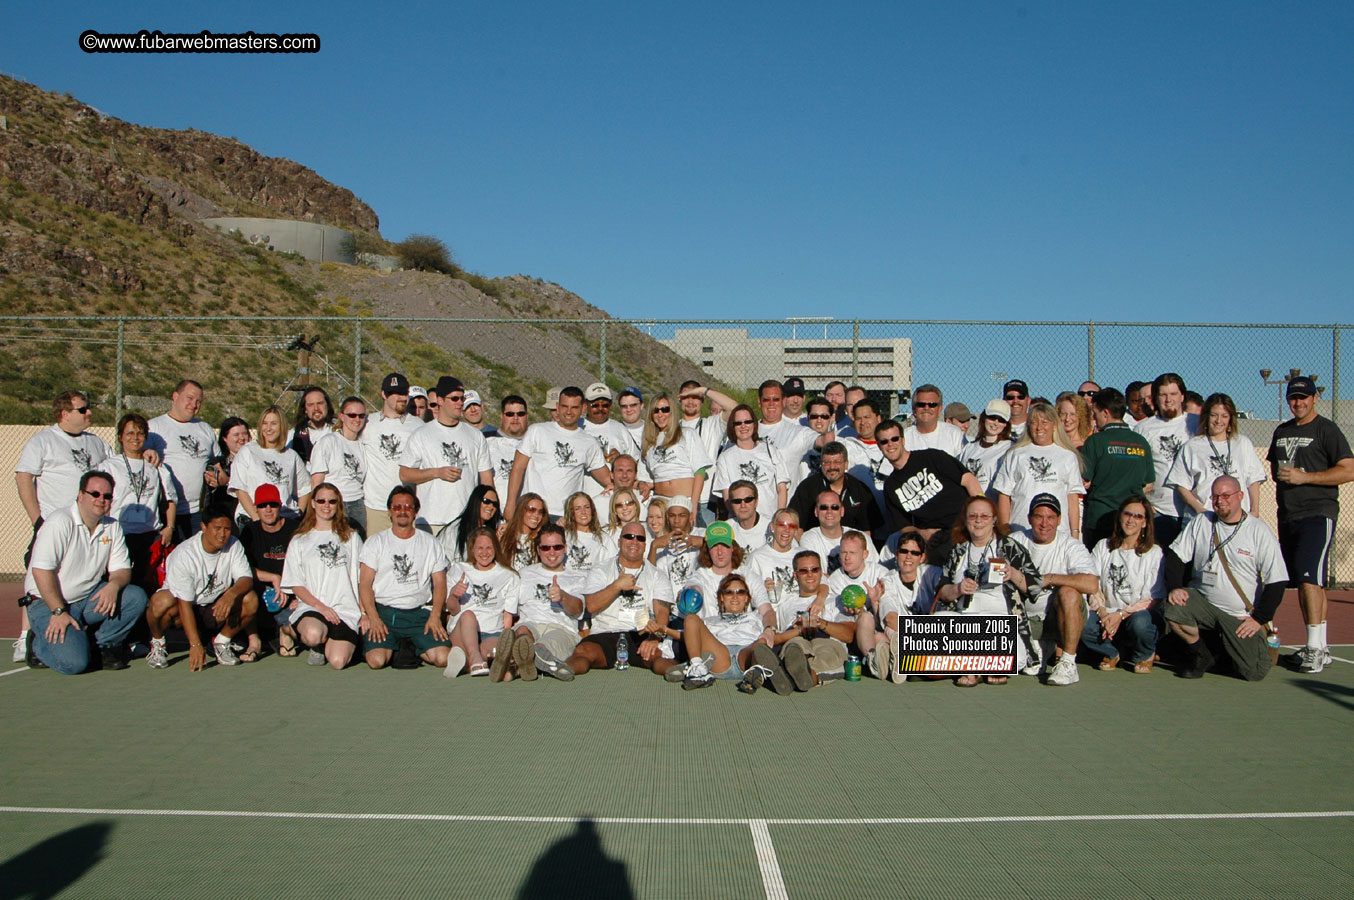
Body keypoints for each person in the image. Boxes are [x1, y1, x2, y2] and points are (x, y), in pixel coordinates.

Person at [1267, 375, 1354, 673]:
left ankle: (1315, 649)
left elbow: (1348, 470)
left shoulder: (1327, 429)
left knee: (1308, 579)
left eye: (1304, 397)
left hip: (1318, 514)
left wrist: (1307, 478)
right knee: (1306, 581)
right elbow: (1275, 468)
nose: (1298, 402)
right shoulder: (1281, 431)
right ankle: (1320, 646)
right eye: (1293, 397)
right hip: (1288, 515)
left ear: (1315, 398)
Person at [1163, 476, 1287, 681]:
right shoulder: (1202, 522)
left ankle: (1222, 652)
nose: (1220, 501)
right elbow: (1176, 556)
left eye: (1227, 495)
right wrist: (1175, 587)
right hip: (1204, 603)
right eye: (1215, 496)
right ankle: (1200, 654)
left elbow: (1278, 580)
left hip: (1239, 615)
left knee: (1254, 671)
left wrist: (1258, 620)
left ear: (1240, 496)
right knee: (1174, 607)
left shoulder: (1258, 530)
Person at [23, 470, 148, 673]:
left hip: (86, 599)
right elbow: (41, 571)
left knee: (134, 597)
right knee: (75, 664)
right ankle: (38, 643)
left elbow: (122, 569)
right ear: (81, 495)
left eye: (107, 496)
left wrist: (114, 585)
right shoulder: (59, 522)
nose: (101, 500)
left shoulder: (112, 527)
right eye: (95, 494)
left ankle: (103, 646)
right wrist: (58, 611)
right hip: (48, 604)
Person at [935, 496, 1041, 684]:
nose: (978, 521)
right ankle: (983, 665)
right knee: (936, 622)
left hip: (1000, 625)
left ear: (994, 520)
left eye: (984, 516)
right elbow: (942, 593)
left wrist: (1013, 573)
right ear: (965, 520)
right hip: (965, 624)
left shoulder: (1009, 547)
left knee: (1016, 653)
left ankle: (970, 665)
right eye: (973, 516)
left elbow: (1034, 588)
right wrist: (959, 588)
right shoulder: (957, 550)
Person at [145, 507, 258, 671]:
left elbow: (246, 578)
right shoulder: (184, 554)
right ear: (204, 527)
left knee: (250, 599)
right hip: (184, 610)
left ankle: (221, 642)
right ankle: (158, 644)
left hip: (215, 608)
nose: (222, 534)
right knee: (160, 601)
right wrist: (195, 644)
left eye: (227, 529)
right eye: (217, 528)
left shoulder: (234, 544)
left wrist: (231, 595)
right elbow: (184, 604)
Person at [356, 486, 452, 671]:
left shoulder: (430, 542)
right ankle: (400, 647)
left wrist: (435, 616)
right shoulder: (376, 542)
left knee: (442, 658)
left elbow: (440, 583)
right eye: (397, 507)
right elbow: (365, 584)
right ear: (390, 512)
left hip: (419, 614)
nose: (402, 511)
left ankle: (411, 646)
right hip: (385, 613)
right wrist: (373, 618)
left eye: (408, 507)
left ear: (416, 512)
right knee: (376, 661)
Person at [1010, 494, 1099, 685]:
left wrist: (1049, 579)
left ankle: (1067, 662)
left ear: (1059, 520)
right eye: (1038, 517)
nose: (1044, 523)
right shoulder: (1014, 541)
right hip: (1025, 620)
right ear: (1029, 518)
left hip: (1059, 619)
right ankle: (1041, 646)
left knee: (1068, 592)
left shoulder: (1071, 546)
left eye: (1050, 518)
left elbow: (1092, 584)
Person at [567, 521, 674, 676]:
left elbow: (662, 612)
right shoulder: (601, 570)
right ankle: (564, 671)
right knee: (583, 652)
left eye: (640, 538)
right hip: (606, 632)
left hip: (641, 632)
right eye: (629, 536)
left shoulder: (657, 575)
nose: (634, 542)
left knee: (658, 656)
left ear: (645, 544)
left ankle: (677, 673)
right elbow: (590, 606)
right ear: (619, 542)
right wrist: (616, 586)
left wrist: (654, 638)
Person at [398, 375, 493, 551]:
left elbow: (486, 478)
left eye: (462, 398)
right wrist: (436, 472)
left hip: (466, 519)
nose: (460, 403)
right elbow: (405, 474)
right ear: (440, 401)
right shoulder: (422, 434)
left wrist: (489, 512)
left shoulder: (475, 435)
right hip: (432, 519)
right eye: (454, 398)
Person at [282, 481, 365, 670]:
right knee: (312, 634)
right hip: (313, 608)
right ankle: (295, 633)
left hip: (345, 610)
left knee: (338, 662)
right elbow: (296, 584)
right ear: (312, 503)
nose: (326, 506)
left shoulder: (351, 537)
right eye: (321, 501)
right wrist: (321, 607)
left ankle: (326, 642)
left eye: (332, 501)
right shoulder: (300, 540)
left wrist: (364, 612)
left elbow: (361, 579)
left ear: (338, 504)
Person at [881, 422, 983, 563]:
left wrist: (982, 516)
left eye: (894, 439)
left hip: (965, 524)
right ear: (879, 446)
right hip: (936, 539)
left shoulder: (932, 457)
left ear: (903, 440)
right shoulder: (890, 486)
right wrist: (923, 533)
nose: (890, 444)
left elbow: (969, 481)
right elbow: (903, 526)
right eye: (884, 441)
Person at [1083, 496, 1162, 674]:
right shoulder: (1103, 546)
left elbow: (1152, 598)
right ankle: (1110, 653)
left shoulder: (1154, 553)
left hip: (1135, 614)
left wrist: (1120, 615)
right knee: (1082, 619)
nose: (1131, 520)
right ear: (1120, 516)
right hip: (1106, 614)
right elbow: (1092, 584)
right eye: (1127, 514)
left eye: (1138, 516)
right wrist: (1103, 612)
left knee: (1141, 623)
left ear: (1145, 523)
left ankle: (1144, 655)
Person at [506, 385, 611, 519]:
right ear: (557, 406)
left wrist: (628, 484)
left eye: (574, 407)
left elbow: (606, 477)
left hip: (566, 515)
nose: (568, 412)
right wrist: (510, 504)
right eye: (564, 406)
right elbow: (518, 468)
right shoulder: (537, 431)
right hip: (534, 511)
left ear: (583, 408)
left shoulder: (589, 442)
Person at [504, 524, 588, 681]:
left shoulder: (578, 577)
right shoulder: (524, 574)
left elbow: (578, 609)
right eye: (545, 548)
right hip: (530, 624)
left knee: (542, 647)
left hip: (562, 629)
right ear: (538, 550)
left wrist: (563, 597)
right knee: (522, 632)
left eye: (557, 547)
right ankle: (523, 662)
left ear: (565, 548)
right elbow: (509, 609)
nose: (551, 552)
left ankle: (514, 665)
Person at [1167, 392, 1267, 522]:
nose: (1219, 421)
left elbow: (1253, 479)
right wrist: (1200, 510)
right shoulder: (1192, 446)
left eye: (1224, 416)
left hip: (1237, 518)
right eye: (1214, 415)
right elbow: (1181, 485)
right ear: (1206, 416)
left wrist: (1255, 510)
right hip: (1204, 518)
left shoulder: (1242, 443)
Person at [992, 401, 1084, 538]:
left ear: (1055, 425)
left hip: (1057, 534)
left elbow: (1072, 497)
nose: (1039, 427)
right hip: (1020, 530)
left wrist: (1075, 533)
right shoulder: (1015, 454)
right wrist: (1005, 530)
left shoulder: (1067, 456)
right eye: (1034, 422)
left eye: (1045, 422)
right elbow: (1004, 494)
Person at [108, 413, 176, 595]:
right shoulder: (109, 467)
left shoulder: (157, 466)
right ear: (120, 436)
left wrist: (169, 527)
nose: (135, 438)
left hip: (149, 534)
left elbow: (170, 499)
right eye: (129, 433)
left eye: (140, 433)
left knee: (148, 583)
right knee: (120, 581)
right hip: (120, 533)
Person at [1080, 388, 1155, 550]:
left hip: (1100, 518)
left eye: (1095, 413)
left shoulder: (1095, 441)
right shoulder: (1141, 442)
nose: (1094, 417)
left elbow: (1084, 480)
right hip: (1131, 520)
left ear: (1105, 413)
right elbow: (1149, 483)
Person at [675, 572, 777, 691]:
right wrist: (665, 630)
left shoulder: (756, 617)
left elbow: (772, 633)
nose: (735, 596)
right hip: (720, 655)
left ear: (746, 598)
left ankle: (755, 672)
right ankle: (698, 670)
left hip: (746, 655)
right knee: (691, 618)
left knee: (761, 643)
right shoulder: (710, 620)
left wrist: (797, 631)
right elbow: (690, 636)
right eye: (729, 592)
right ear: (722, 597)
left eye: (740, 592)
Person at [763, 550, 846, 689]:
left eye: (814, 569)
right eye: (803, 571)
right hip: (797, 641)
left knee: (825, 654)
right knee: (794, 647)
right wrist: (802, 629)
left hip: (827, 642)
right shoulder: (785, 604)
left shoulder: (835, 600)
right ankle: (799, 677)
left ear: (821, 572)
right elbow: (778, 638)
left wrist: (819, 623)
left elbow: (848, 634)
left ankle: (792, 679)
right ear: (796, 575)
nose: (810, 574)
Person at [236, 484, 301, 661]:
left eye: (272, 505)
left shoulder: (295, 529)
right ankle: (254, 642)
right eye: (262, 506)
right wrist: (273, 577)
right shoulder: (250, 531)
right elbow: (241, 568)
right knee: (245, 594)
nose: (268, 510)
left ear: (280, 506)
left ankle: (284, 632)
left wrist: (297, 595)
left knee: (306, 631)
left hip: (290, 592)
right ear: (256, 508)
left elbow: (307, 567)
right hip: (260, 591)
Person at [146, 379, 217, 540]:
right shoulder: (154, 427)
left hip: (198, 512)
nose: (194, 404)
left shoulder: (205, 429)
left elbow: (217, 461)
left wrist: (220, 475)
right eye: (190, 398)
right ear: (175, 396)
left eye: (199, 401)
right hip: (167, 512)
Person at [1133, 373, 1198, 547]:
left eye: (1173, 394)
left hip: (1193, 511)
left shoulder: (1196, 424)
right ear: (1156, 398)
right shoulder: (1143, 428)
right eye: (1163, 395)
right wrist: (1146, 506)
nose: (1168, 399)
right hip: (1159, 511)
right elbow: (1136, 473)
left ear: (1182, 396)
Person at [445, 528, 518, 678]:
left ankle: (467, 663)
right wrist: (453, 595)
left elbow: (507, 616)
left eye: (488, 548)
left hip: (491, 632)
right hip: (462, 630)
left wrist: (506, 636)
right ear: (472, 549)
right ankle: (475, 658)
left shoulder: (509, 576)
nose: (484, 553)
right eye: (480, 548)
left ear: (495, 549)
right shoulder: (459, 570)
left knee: (489, 651)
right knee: (468, 615)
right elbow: (452, 610)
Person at [824, 531, 893, 680]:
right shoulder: (836, 580)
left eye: (852, 553)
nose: (847, 557)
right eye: (843, 552)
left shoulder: (880, 573)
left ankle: (889, 663)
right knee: (866, 618)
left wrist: (875, 602)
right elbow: (838, 619)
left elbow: (888, 614)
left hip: (878, 630)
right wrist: (856, 612)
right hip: (852, 637)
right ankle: (874, 660)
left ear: (865, 554)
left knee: (880, 637)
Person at [361, 373, 421, 536]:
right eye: (396, 393)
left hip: (407, 508)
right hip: (375, 507)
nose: (402, 397)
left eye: (404, 393)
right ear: (383, 394)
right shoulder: (367, 423)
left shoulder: (418, 426)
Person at [229, 405, 311, 523]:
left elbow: (305, 488)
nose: (268, 428)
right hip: (253, 519)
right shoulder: (247, 451)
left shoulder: (291, 455)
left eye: (273, 423)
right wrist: (256, 518)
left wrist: (298, 515)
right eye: (264, 423)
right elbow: (239, 489)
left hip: (284, 518)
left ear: (282, 426)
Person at [712, 404, 790, 522]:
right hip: (741, 522)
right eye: (738, 423)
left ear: (754, 424)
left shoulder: (770, 450)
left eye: (747, 421)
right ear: (732, 427)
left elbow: (781, 488)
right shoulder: (725, 457)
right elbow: (727, 495)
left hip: (770, 519)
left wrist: (779, 517)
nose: (743, 426)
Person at [789, 440, 881, 534]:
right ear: (821, 464)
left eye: (837, 462)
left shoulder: (859, 489)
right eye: (827, 462)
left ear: (846, 464)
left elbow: (867, 530)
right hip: (816, 545)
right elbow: (797, 525)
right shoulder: (808, 488)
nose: (832, 467)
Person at [308, 395, 369, 536]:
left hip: (357, 503)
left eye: (361, 416)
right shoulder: (328, 441)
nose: (357, 419)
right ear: (342, 416)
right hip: (334, 503)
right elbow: (316, 481)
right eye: (352, 415)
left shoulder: (362, 445)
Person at [643, 391, 715, 509]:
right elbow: (646, 477)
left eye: (665, 409)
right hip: (659, 502)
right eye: (656, 410)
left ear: (672, 411)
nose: (660, 414)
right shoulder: (649, 442)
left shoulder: (687, 434)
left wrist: (694, 504)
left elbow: (700, 472)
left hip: (684, 502)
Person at [800, 490, 880, 574]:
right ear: (816, 512)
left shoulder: (862, 537)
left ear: (842, 511)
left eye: (835, 507)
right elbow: (813, 576)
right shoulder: (808, 538)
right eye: (824, 507)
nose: (829, 511)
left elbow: (874, 570)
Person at [747, 508, 802, 609]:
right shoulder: (757, 557)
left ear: (796, 531)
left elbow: (822, 584)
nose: (787, 530)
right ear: (772, 527)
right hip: (772, 615)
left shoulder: (803, 555)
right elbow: (747, 597)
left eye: (792, 526)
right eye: (782, 525)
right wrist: (762, 590)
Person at [957, 400, 1012, 496]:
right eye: (992, 417)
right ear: (984, 417)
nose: (995, 423)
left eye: (1001, 420)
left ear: (1006, 424)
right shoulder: (969, 448)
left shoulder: (1009, 448)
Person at [202, 417, 250, 517]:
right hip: (226, 516)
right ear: (225, 438)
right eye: (236, 435)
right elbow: (210, 490)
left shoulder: (255, 462)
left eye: (245, 434)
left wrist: (228, 481)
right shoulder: (217, 464)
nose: (242, 438)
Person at [486, 394, 529, 500]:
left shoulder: (536, 442)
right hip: (496, 509)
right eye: (510, 414)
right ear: (501, 416)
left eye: (520, 414)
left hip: (527, 511)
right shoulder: (486, 441)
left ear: (527, 416)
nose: (515, 418)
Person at [561, 491, 618, 571]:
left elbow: (613, 565)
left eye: (587, 507)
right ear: (571, 512)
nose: (583, 512)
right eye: (577, 509)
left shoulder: (603, 538)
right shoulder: (564, 535)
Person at [904, 384, 965, 457]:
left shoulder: (954, 434)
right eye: (921, 404)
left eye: (932, 405)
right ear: (914, 409)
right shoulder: (903, 437)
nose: (926, 408)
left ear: (940, 409)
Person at [449, 483, 503, 563]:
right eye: (486, 501)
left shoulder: (494, 530)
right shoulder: (455, 530)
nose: (491, 507)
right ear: (476, 501)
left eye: (495, 504)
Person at [497, 492, 548, 570]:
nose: (536, 515)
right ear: (521, 509)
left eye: (540, 512)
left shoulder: (542, 537)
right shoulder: (504, 534)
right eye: (531, 510)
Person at [286, 386, 335, 464]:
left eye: (320, 403)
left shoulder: (338, 431)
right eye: (311, 404)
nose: (316, 408)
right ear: (305, 409)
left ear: (327, 405)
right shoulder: (295, 434)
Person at [723, 480, 770, 549]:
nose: (743, 505)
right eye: (737, 501)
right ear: (731, 504)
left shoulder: (770, 526)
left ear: (756, 501)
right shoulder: (726, 529)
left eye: (748, 500)